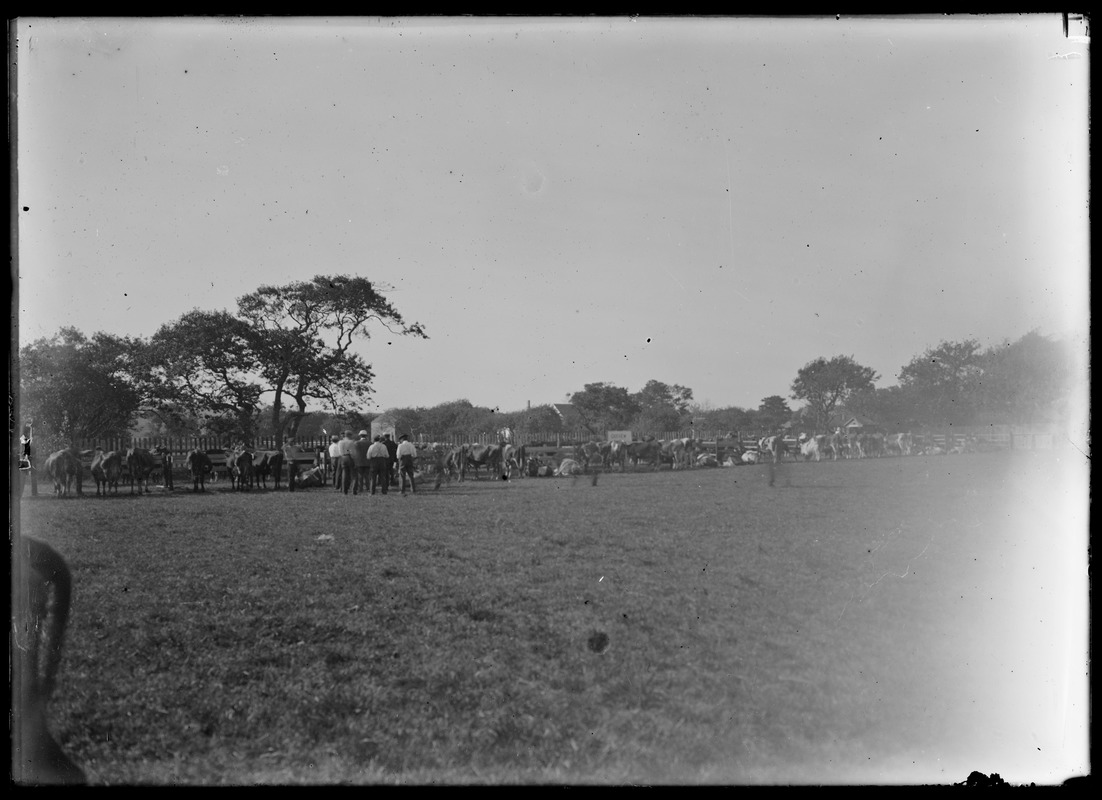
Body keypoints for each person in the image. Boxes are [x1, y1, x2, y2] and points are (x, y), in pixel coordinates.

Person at [20, 422, 38, 497]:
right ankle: (20, 493)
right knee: (22, 476)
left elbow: (33, 449)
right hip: (24, 458)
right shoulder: (22, 439)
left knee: (33, 473)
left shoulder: (28, 438)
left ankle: (34, 492)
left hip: (30, 458)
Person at [351, 430, 372, 495]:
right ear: (366, 436)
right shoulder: (370, 443)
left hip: (359, 462)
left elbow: (351, 451)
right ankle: (368, 488)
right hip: (367, 461)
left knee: (360, 476)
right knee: (367, 476)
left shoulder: (356, 443)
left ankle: (360, 488)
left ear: (360, 435)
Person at [337, 431, 356, 495]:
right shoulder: (351, 442)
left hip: (343, 457)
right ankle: (353, 490)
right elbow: (352, 451)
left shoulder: (340, 442)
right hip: (349, 457)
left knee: (344, 474)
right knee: (353, 475)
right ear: (350, 435)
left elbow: (340, 451)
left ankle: (344, 490)